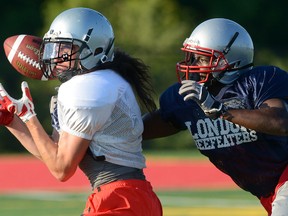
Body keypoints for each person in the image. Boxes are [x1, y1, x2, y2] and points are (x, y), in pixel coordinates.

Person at [0, 7, 162, 216]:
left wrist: (29, 117)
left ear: (93, 50)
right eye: (55, 47)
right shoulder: (106, 78)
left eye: (65, 48)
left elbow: (61, 170)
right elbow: (54, 153)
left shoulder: (86, 86)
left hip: (118, 200)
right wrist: (14, 121)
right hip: (133, 197)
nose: (56, 55)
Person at [142, 18, 288, 216]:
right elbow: (143, 129)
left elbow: (280, 122)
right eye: (192, 57)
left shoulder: (259, 80)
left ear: (232, 61)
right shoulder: (186, 99)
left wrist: (221, 110)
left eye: (202, 59)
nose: (193, 65)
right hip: (269, 192)